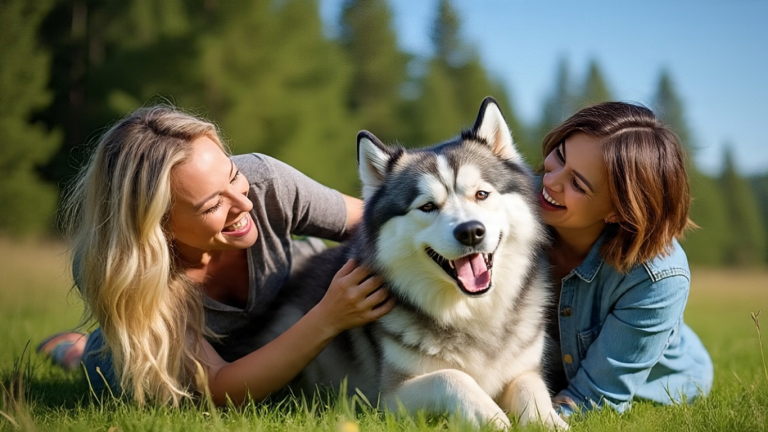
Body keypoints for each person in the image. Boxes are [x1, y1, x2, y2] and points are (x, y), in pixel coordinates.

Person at [37, 105, 395, 406]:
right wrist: (328, 317)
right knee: (109, 367)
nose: (244, 204)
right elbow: (219, 387)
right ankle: (74, 349)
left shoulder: (265, 183)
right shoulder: (129, 272)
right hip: (175, 359)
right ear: (158, 226)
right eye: (213, 205)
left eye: (233, 176)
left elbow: (381, 219)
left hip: (286, 321)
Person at [537, 102, 713, 417]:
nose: (550, 181)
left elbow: (589, 399)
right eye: (560, 156)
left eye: (578, 184)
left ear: (618, 211)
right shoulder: (509, 207)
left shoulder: (658, 277)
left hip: (661, 384)